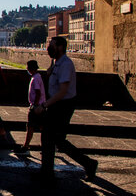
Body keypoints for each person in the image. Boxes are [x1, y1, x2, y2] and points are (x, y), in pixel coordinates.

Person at [32, 37, 98, 184]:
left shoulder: (66, 64)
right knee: (53, 140)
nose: (49, 48)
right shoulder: (57, 63)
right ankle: (49, 172)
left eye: (52, 45)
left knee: (52, 139)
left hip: (62, 106)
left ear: (61, 47)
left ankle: (49, 173)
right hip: (57, 105)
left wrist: (44, 106)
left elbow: (62, 92)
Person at [14, 60, 46, 153]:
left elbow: (38, 93)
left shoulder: (35, 79)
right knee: (41, 127)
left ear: (30, 68)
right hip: (41, 106)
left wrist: (34, 105)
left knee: (30, 126)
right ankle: (45, 146)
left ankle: (26, 146)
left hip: (36, 106)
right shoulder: (38, 77)